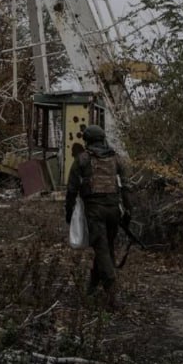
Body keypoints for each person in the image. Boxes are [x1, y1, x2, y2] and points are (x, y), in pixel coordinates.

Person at [65, 124, 132, 309]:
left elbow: (71, 190)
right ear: (102, 140)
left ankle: (112, 295)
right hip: (113, 211)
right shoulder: (116, 159)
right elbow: (126, 187)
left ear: (86, 141)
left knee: (103, 250)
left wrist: (69, 213)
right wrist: (128, 211)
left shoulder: (82, 159)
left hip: (95, 211)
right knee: (105, 247)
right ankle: (92, 287)